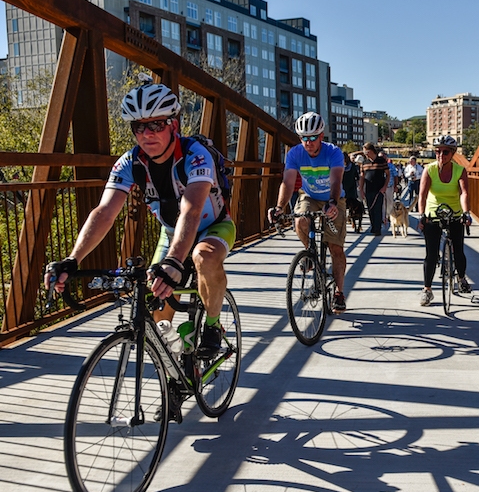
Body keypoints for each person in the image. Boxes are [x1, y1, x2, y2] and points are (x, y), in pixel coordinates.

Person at [44, 76, 235, 358]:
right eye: (139, 127)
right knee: (158, 321)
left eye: (156, 124)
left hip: (213, 227)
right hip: (171, 232)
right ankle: (176, 380)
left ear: (174, 124)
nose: (148, 134)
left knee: (203, 257)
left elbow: (192, 208)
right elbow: (104, 212)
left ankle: (212, 325)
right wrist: (74, 259)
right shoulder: (130, 163)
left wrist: (173, 262)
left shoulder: (195, 155)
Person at [269, 111, 347, 313]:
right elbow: (287, 183)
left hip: (333, 197)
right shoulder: (295, 154)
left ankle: (339, 293)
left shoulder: (333, 152)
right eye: (304, 138)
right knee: (300, 221)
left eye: (313, 138)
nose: (308, 142)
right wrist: (279, 207)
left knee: (335, 247)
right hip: (310, 196)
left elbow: (337, 180)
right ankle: (310, 254)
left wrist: (332, 202)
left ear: (321, 136)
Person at [417, 135, 472, 306]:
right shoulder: (429, 169)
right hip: (433, 213)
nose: (441, 155)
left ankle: (461, 278)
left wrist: (466, 212)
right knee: (431, 254)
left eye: (445, 152)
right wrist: (421, 215)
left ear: (453, 153)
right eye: (438, 151)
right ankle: (427, 290)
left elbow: (464, 193)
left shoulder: (459, 170)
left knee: (459, 250)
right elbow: (423, 195)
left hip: (454, 213)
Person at [359, 142, 390, 236]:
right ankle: (373, 226)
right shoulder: (364, 163)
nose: (365, 154)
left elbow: (388, 175)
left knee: (378, 209)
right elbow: (362, 177)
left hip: (379, 189)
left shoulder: (381, 161)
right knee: (370, 209)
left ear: (371, 151)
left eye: (366, 152)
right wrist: (361, 189)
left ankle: (377, 228)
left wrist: (385, 187)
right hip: (368, 189)